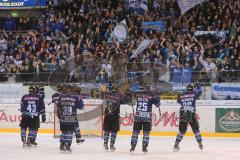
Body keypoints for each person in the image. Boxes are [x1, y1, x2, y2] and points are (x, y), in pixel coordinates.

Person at [130, 82, 160, 153]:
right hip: (147, 117)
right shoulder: (152, 95)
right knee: (146, 133)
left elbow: (132, 98)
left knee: (135, 132)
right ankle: (144, 147)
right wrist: (157, 97)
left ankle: (133, 146)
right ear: (148, 87)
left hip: (138, 116)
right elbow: (158, 104)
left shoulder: (138, 94)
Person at [173, 83, 203, 152]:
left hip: (183, 113)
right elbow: (200, 90)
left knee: (182, 131)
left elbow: (178, 101)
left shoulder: (182, 94)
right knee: (196, 130)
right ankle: (200, 144)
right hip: (191, 113)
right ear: (192, 88)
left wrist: (180, 95)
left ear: (186, 88)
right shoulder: (194, 93)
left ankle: (176, 144)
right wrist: (197, 85)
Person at [103, 85, 131, 151]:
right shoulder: (119, 97)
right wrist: (128, 94)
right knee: (114, 131)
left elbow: (103, 94)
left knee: (107, 131)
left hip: (107, 115)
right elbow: (126, 101)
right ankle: (112, 145)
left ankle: (105, 143)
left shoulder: (106, 95)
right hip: (115, 116)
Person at [57, 85, 84, 153]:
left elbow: (58, 106)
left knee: (63, 132)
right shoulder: (75, 97)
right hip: (71, 118)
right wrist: (79, 98)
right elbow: (81, 107)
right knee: (69, 132)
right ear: (72, 90)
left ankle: (61, 145)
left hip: (62, 118)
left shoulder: (61, 96)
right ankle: (68, 145)